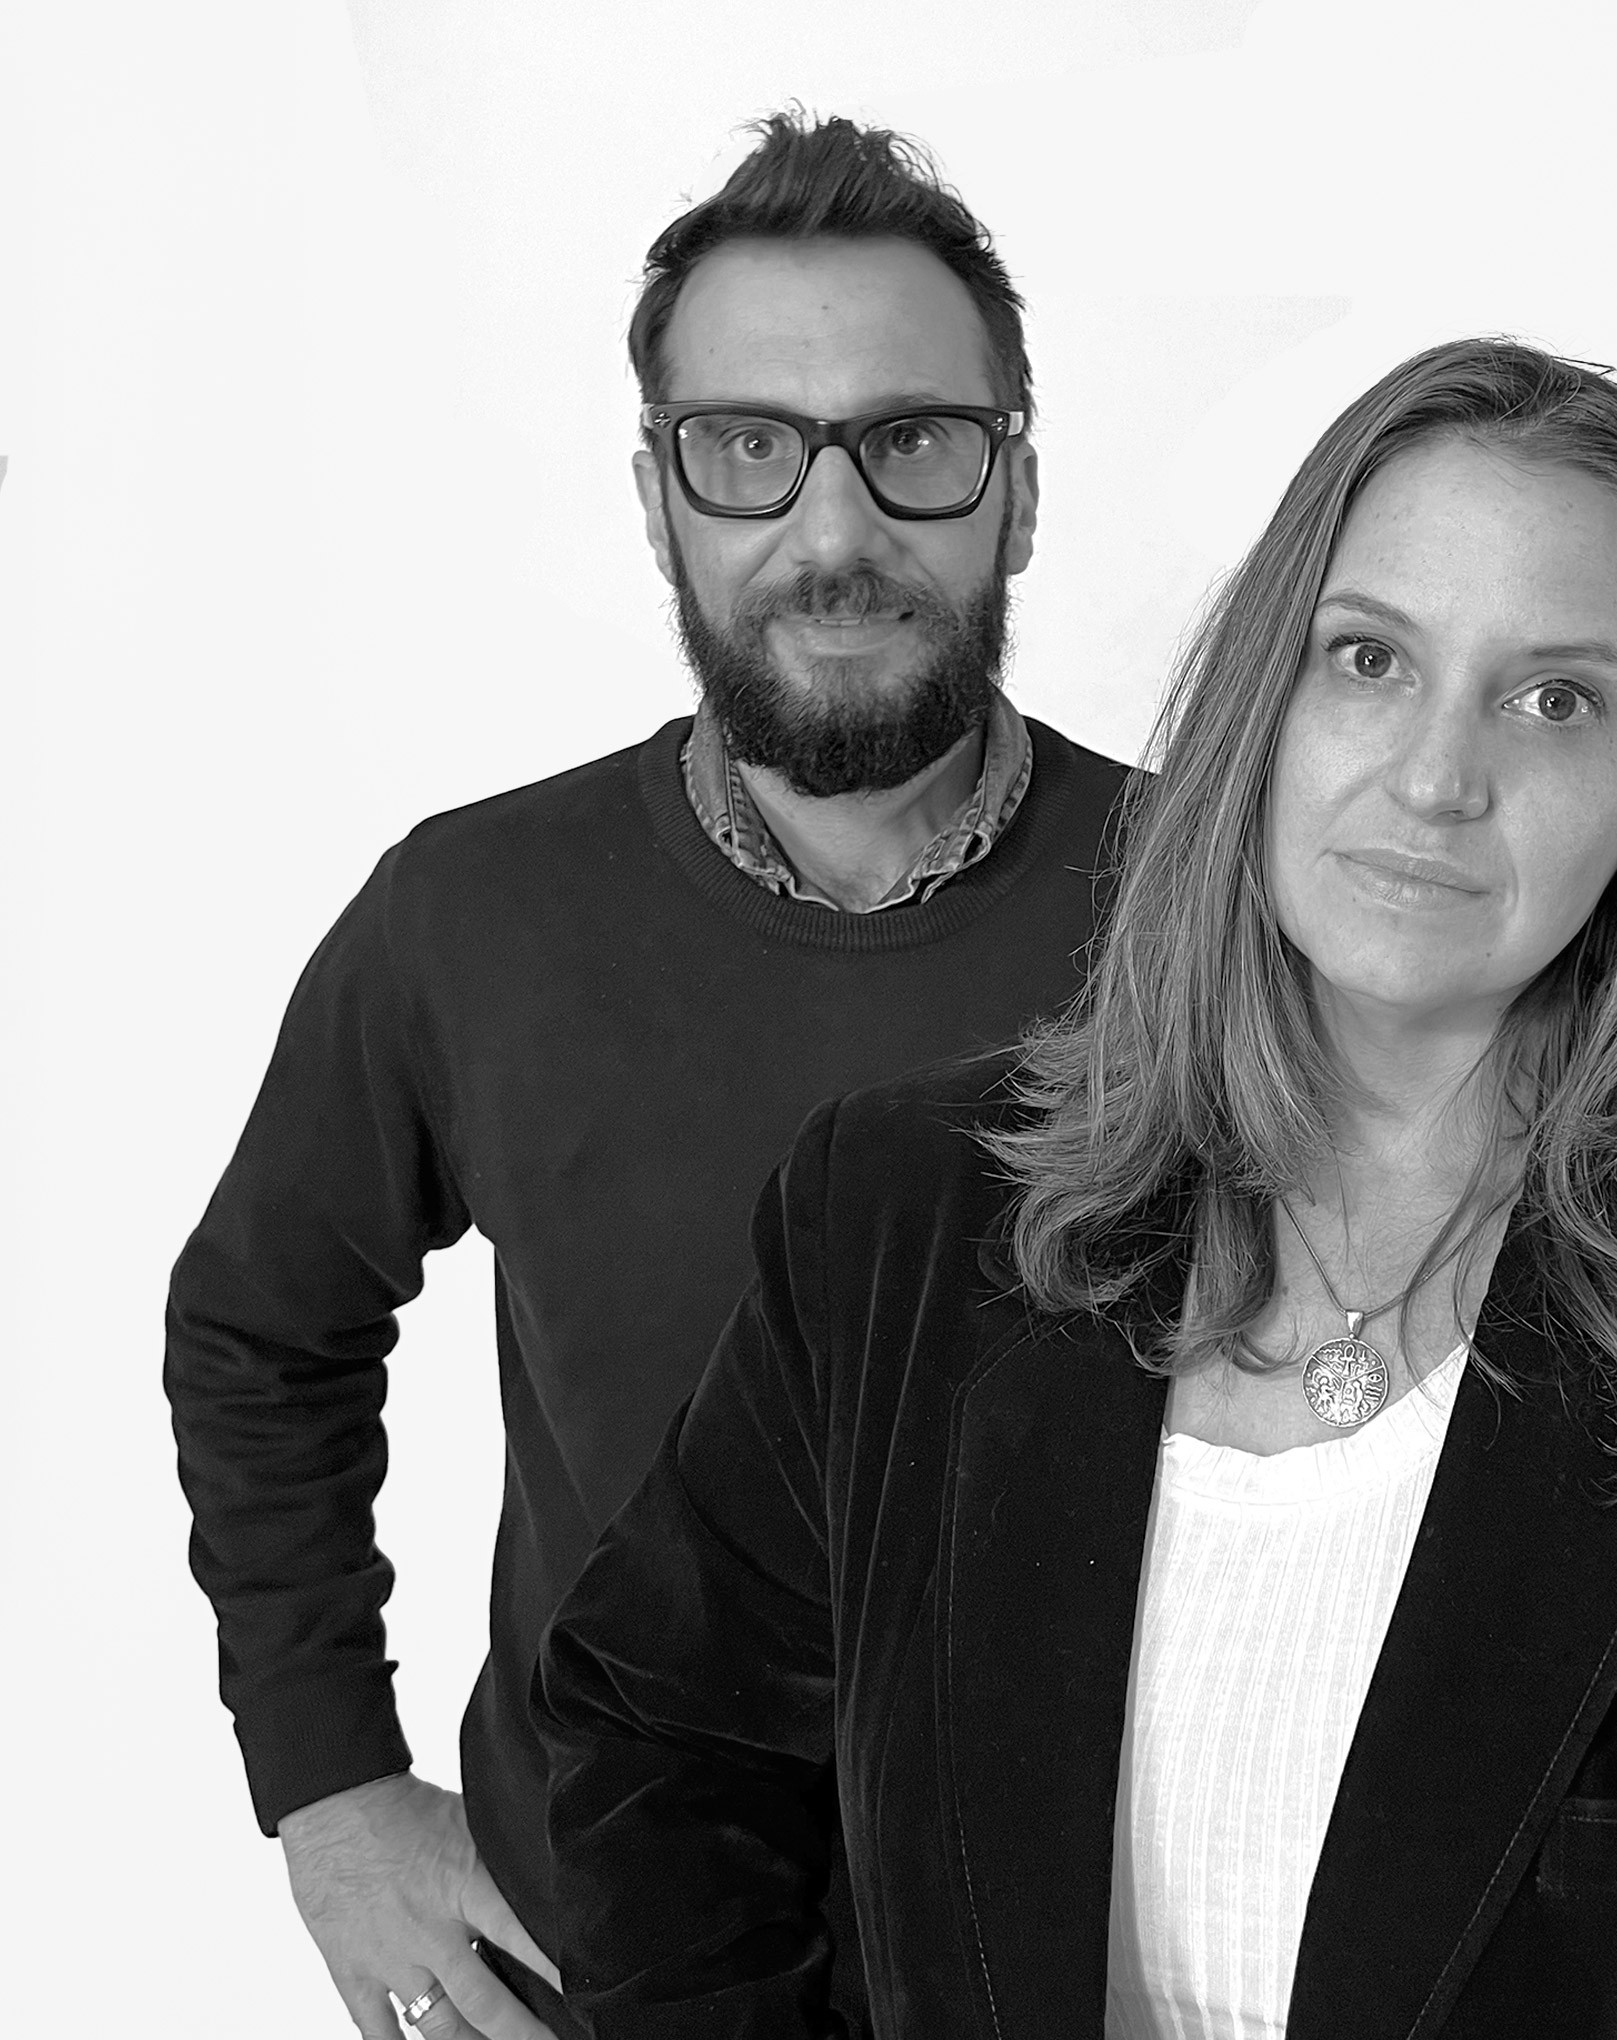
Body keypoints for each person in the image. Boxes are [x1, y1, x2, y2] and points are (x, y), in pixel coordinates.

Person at [533, 337, 1617, 2038]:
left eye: (1557, 700)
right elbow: (655, 1740)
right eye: (1369, 659)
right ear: (1261, 710)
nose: (1441, 777)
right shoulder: (901, 1220)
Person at [165, 112, 1131, 2040]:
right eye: (750, 451)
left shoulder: (1220, 926)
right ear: (657, 496)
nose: (832, 535)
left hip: (1103, 1973)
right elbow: (260, 1329)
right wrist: (330, 1791)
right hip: (594, 1967)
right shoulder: (471, 916)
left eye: (914, 445)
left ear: (1016, 492)